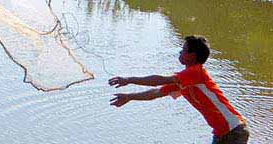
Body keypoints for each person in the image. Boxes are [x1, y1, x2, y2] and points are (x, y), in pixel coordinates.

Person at [107, 35, 250, 144]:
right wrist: (130, 97)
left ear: (192, 56)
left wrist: (129, 79)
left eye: (183, 50)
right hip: (223, 133)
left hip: (233, 130)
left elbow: (160, 80)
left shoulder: (196, 73)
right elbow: (156, 92)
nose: (180, 52)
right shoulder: (184, 80)